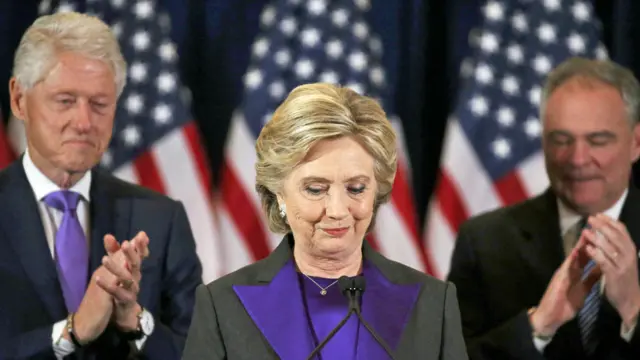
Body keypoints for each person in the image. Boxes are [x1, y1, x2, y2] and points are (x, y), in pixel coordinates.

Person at [182, 83, 468, 360]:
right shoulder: (223, 306)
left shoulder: (433, 303)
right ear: (279, 193)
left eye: (356, 188)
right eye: (316, 189)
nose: (337, 210)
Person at [0, 12, 202, 359]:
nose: (83, 122)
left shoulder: (161, 219)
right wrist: (71, 332)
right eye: (65, 101)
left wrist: (136, 321)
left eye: (99, 104)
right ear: (19, 99)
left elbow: (202, 353)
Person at [448, 57, 640, 360]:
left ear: (636, 142)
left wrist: (633, 311)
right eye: (561, 140)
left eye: (598, 140)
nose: (577, 159)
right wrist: (538, 326)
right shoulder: (486, 242)